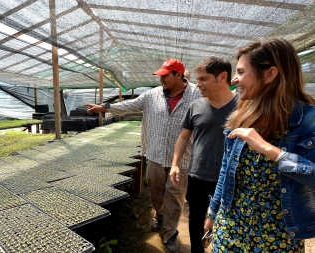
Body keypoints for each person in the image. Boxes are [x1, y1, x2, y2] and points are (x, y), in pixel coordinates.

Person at [204, 38, 315, 252]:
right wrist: (212, 214)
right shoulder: (241, 115)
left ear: (270, 74)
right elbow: (225, 171)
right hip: (230, 232)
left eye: (241, 72)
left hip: (277, 239)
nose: (235, 79)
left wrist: (270, 150)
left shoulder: (309, 120)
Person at [85, 58, 201, 253]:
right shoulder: (152, 95)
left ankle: (170, 233)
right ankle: (160, 215)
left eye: (165, 75)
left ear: (179, 75)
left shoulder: (198, 94)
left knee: (175, 196)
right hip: (155, 154)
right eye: (160, 76)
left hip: (183, 158)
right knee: (156, 192)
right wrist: (105, 108)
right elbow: (130, 105)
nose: (161, 79)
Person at [169, 56, 239, 253]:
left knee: (228, 217)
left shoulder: (244, 107)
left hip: (229, 177)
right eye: (198, 79)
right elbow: (183, 137)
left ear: (222, 77)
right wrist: (175, 164)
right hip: (198, 173)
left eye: (203, 79)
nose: (197, 84)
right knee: (195, 217)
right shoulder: (196, 106)